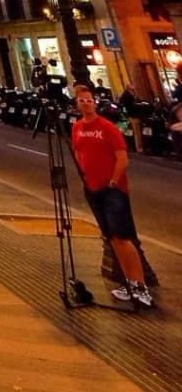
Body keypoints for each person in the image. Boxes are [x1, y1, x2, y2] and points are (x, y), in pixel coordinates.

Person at [71, 82, 154, 308]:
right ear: (77, 103)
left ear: (94, 102)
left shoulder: (107, 127)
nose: (86, 104)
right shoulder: (77, 127)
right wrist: (87, 180)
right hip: (93, 188)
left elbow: (122, 158)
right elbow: (79, 154)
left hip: (113, 189)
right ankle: (129, 283)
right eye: (82, 100)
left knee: (123, 237)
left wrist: (113, 181)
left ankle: (140, 286)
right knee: (112, 237)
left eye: (89, 100)